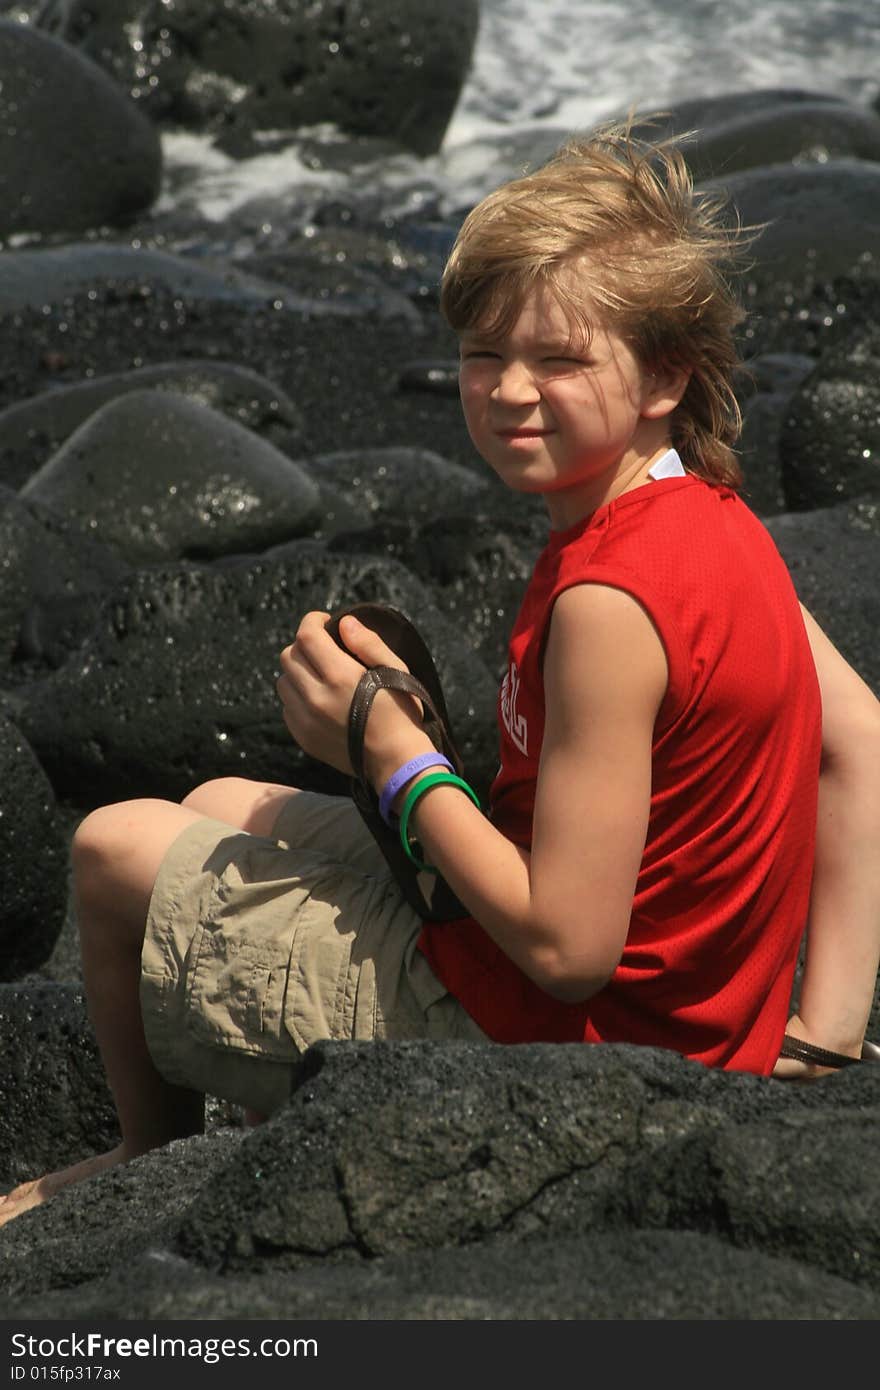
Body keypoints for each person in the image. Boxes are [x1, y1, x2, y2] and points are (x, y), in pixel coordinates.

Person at [2, 123, 879, 1229]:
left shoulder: (607, 603)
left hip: (555, 1052)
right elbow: (864, 740)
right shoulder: (713, 517)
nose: (510, 390)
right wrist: (821, 1033)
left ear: (665, 375)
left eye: (559, 360)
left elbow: (567, 947)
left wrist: (390, 747)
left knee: (110, 847)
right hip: (697, 1025)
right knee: (223, 802)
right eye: (483, 353)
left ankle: (145, 1159)